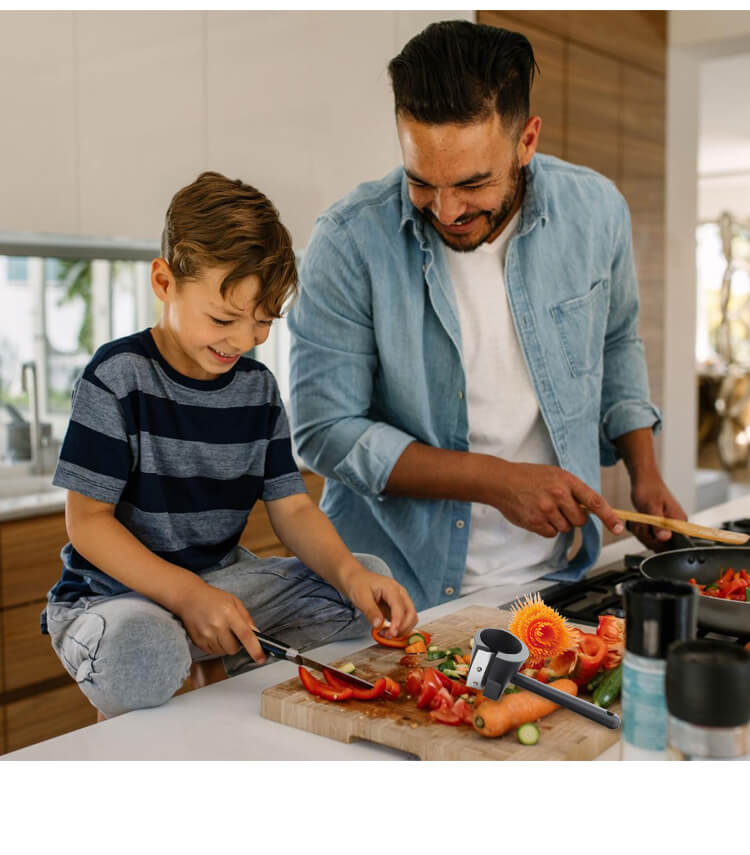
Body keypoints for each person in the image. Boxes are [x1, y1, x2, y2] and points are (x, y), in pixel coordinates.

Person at [288, 20, 686, 612]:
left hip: (557, 579)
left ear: (526, 141)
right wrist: (496, 481)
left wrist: (643, 468)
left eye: (473, 183)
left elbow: (616, 340)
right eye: (422, 182)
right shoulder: (348, 242)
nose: (446, 211)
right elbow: (324, 432)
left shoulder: (597, 211)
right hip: (390, 590)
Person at [42, 171, 417, 719]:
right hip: (113, 597)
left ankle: (203, 653)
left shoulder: (257, 389)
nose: (242, 341)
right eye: (223, 318)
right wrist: (186, 597)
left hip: (219, 583)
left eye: (263, 322)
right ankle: (193, 654)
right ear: (165, 282)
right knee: (143, 648)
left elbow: (291, 507)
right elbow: (89, 523)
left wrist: (351, 575)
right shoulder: (117, 376)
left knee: (360, 585)